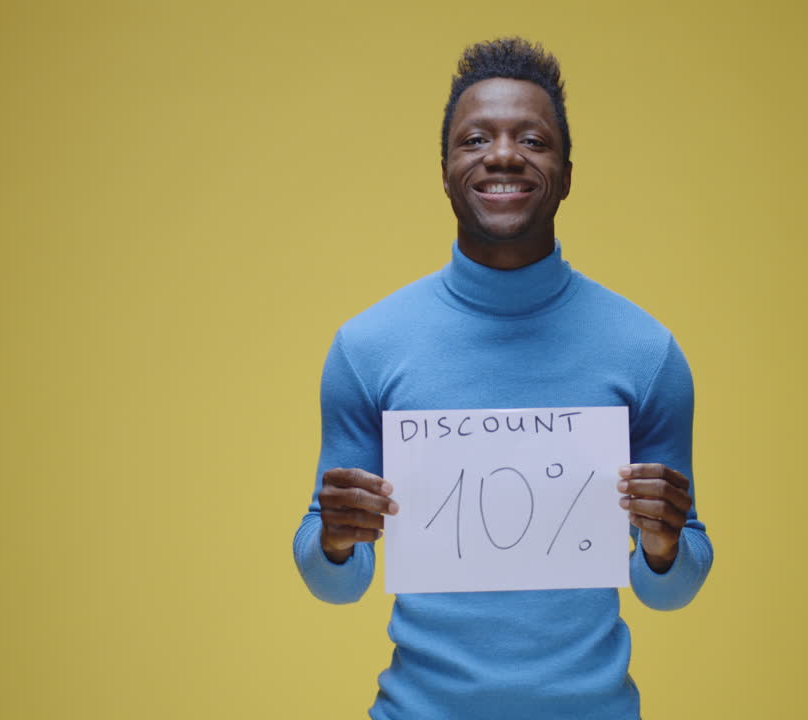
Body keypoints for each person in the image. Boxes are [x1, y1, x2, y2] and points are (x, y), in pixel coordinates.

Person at [292, 37, 713, 719]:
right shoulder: (368, 347)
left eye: (533, 139)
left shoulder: (645, 352)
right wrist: (336, 539)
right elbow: (334, 582)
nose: (504, 154)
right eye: (476, 138)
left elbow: (673, 586)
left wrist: (665, 543)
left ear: (568, 172)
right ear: (446, 169)